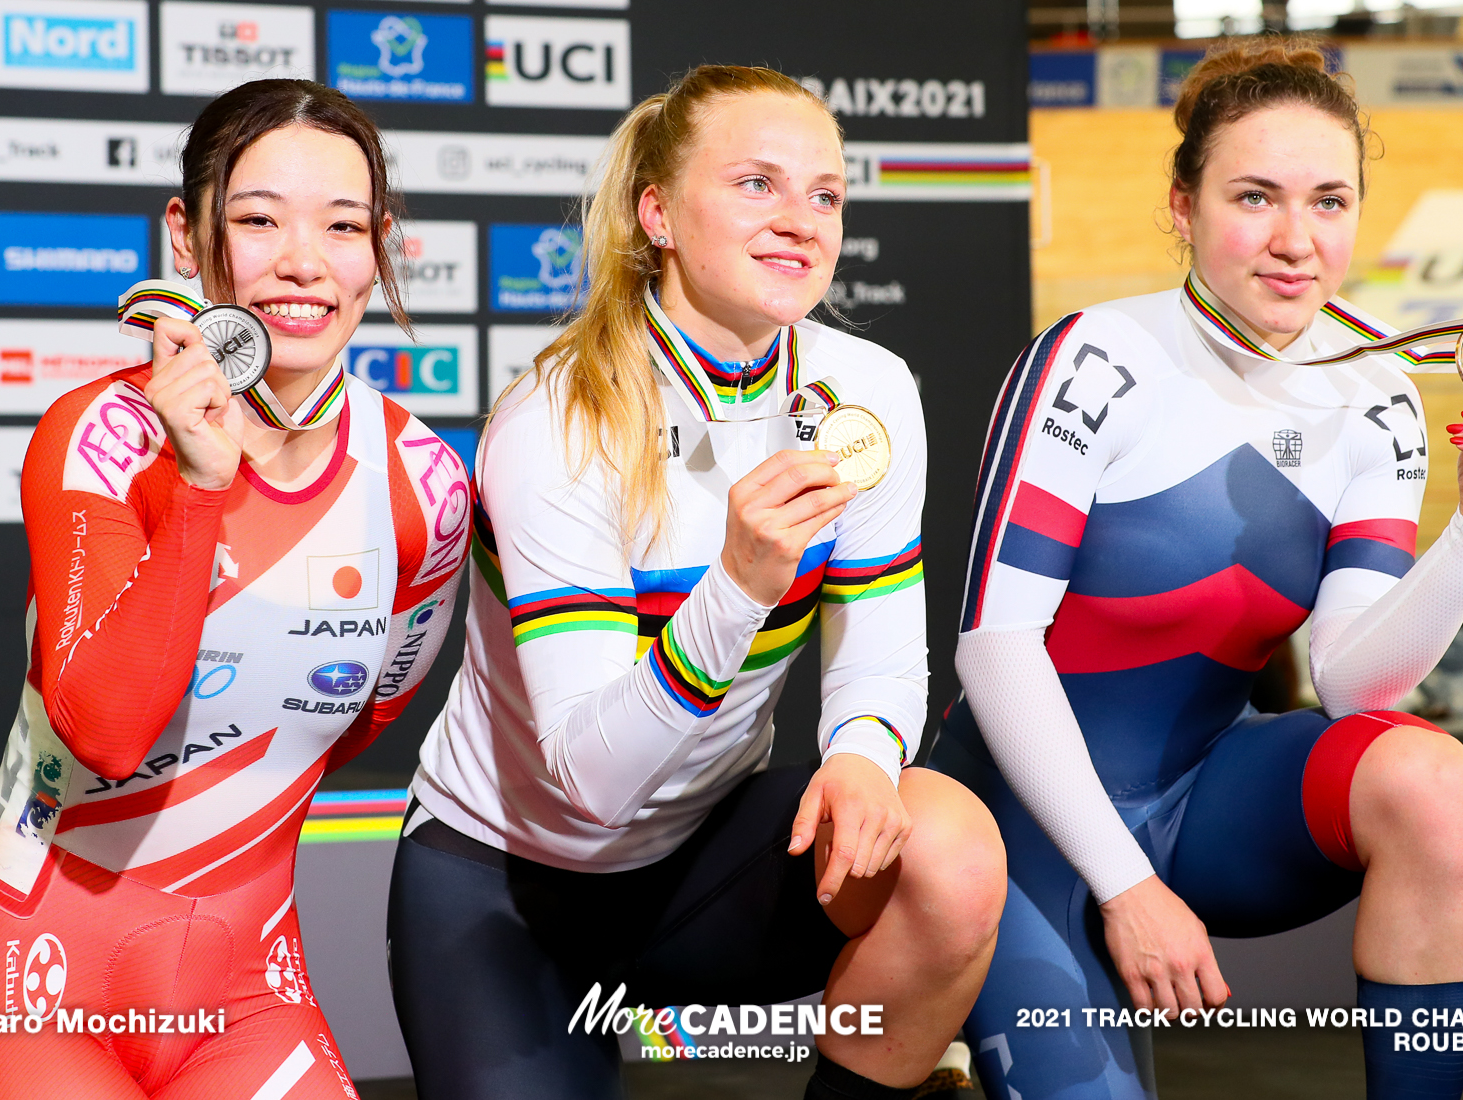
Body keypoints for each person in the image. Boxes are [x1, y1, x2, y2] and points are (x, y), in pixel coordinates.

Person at [932, 39, 1463, 1100]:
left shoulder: (1377, 394)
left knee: (1432, 777)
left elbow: (1355, 686)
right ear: (1180, 205)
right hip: (1017, 820)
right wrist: (1127, 886)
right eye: (1253, 196)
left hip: (1204, 804)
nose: (1293, 240)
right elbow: (992, 644)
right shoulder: (1094, 357)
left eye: (1327, 201)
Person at [388, 65, 1006, 1100]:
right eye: (756, 184)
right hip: (508, 882)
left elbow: (884, 646)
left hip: (706, 860)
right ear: (657, 212)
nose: (800, 221)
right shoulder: (557, 418)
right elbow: (591, 781)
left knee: (946, 843)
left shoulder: (867, 387)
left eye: (825, 193)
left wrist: (860, 753)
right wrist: (736, 584)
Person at [0, 79, 471, 1098]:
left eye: (344, 226)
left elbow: (355, 718)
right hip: (24, 982)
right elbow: (107, 730)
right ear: (187, 231)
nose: (304, 261)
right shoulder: (104, 434)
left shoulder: (422, 484)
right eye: (259, 219)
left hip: (248, 989)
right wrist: (204, 490)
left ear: (380, 245)